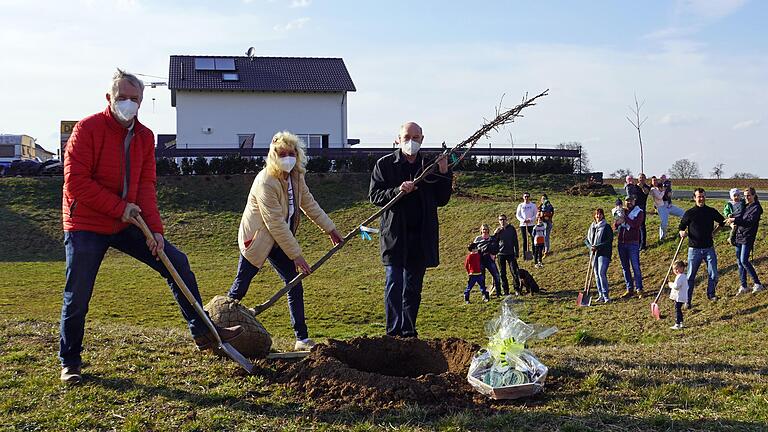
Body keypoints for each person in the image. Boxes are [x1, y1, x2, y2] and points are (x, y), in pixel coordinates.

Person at [58, 69, 243, 384]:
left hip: (127, 220)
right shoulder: (87, 129)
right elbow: (76, 183)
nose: (128, 104)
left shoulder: (144, 136)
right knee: (78, 294)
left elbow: (146, 185)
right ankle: (70, 362)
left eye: (135, 99)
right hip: (85, 222)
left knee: (176, 264)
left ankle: (205, 334)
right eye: (122, 98)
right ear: (109, 98)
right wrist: (119, 207)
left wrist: (156, 232)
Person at [227, 131, 343, 351]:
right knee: (241, 286)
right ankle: (218, 324)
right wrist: (296, 255)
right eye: (282, 154)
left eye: (292, 153)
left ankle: (301, 338)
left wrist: (331, 229)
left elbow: (309, 204)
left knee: (294, 284)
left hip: (281, 241)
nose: (287, 158)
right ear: (274, 155)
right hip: (258, 240)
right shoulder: (266, 181)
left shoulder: (297, 176)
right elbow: (275, 223)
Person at [369, 121, 452, 338]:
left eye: (416, 138)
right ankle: (393, 332)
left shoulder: (429, 165)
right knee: (394, 283)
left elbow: (442, 199)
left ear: (422, 139)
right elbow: (375, 196)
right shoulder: (385, 165)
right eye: (407, 137)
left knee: (413, 287)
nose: (411, 142)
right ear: (398, 139)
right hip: (395, 235)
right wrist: (397, 190)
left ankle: (408, 330)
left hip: (421, 236)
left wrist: (444, 173)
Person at [679, 188, 725, 307]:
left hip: (709, 248)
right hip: (694, 250)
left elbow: (722, 222)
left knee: (714, 274)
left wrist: (714, 232)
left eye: (703, 196)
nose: (701, 199)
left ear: (705, 197)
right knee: (690, 276)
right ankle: (687, 300)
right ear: (694, 198)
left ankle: (711, 294)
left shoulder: (711, 211)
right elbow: (681, 226)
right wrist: (682, 232)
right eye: (699, 196)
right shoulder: (689, 213)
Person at [727, 187, 764, 295]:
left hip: (748, 237)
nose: (747, 197)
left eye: (749, 195)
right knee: (739, 262)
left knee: (744, 260)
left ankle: (758, 284)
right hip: (739, 235)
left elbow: (749, 222)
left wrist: (735, 220)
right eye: (745, 195)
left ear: (753, 195)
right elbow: (740, 216)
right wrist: (731, 217)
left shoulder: (756, 208)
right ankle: (744, 286)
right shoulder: (746, 206)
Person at [615, 195, 645, 298]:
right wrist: (618, 220)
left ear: (634, 201)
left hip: (633, 242)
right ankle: (629, 288)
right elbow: (616, 225)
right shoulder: (622, 211)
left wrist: (625, 218)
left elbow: (635, 225)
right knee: (625, 267)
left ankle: (639, 288)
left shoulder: (639, 212)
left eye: (630, 201)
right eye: (627, 201)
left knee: (635, 266)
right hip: (621, 242)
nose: (629, 203)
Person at [586, 208, 614, 303]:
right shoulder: (592, 227)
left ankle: (606, 296)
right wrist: (591, 246)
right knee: (596, 275)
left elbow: (609, 240)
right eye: (597, 214)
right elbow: (586, 240)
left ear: (603, 215)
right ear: (594, 216)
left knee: (602, 273)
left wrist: (597, 247)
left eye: (600, 214)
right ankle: (600, 295)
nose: (598, 216)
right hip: (593, 253)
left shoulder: (606, 227)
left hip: (603, 253)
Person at [494, 214, 521, 296]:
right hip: (500, 254)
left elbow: (515, 241)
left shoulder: (511, 229)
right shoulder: (498, 230)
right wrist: (495, 233)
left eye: (503, 219)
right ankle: (506, 290)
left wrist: (517, 252)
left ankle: (517, 289)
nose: (502, 221)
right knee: (502, 273)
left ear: (506, 220)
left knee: (514, 271)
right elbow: (494, 242)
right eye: (500, 220)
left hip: (510, 253)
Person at [474, 224, 501, 296]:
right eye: (483, 229)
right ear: (481, 230)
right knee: (482, 278)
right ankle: (484, 294)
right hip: (481, 259)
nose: (485, 231)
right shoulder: (478, 239)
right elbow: (473, 249)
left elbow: (496, 247)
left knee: (496, 276)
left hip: (489, 259)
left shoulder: (491, 238)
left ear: (488, 230)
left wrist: (494, 254)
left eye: (486, 229)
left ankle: (499, 293)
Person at [515, 192, 537, 260]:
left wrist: (530, 220)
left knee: (533, 238)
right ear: (523, 197)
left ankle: (534, 253)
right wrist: (523, 220)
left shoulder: (533, 205)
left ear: (529, 197)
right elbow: (518, 215)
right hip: (523, 225)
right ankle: (525, 255)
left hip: (531, 224)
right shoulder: (520, 205)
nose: (526, 198)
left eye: (527, 196)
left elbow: (535, 214)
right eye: (525, 196)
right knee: (525, 240)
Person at [668, 260, 689, 330]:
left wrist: (670, 284)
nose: (676, 270)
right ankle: (681, 323)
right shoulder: (683, 276)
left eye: (677, 268)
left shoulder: (680, 276)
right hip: (681, 296)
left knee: (677, 310)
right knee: (679, 309)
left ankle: (677, 323)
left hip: (679, 297)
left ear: (682, 268)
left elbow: (676, 286)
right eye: (674, 269)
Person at [634, 173, 651, 249]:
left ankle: (643, 245)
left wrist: (642, 187)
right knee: (635, 225)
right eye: (640, 177)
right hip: (634, 207)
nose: (641, 179)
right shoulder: (634, 186)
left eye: (643, 178)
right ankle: (637, 242)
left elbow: (646, 192)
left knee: (642, 225)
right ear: (638, 179)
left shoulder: (646, 187)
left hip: (642, 207)